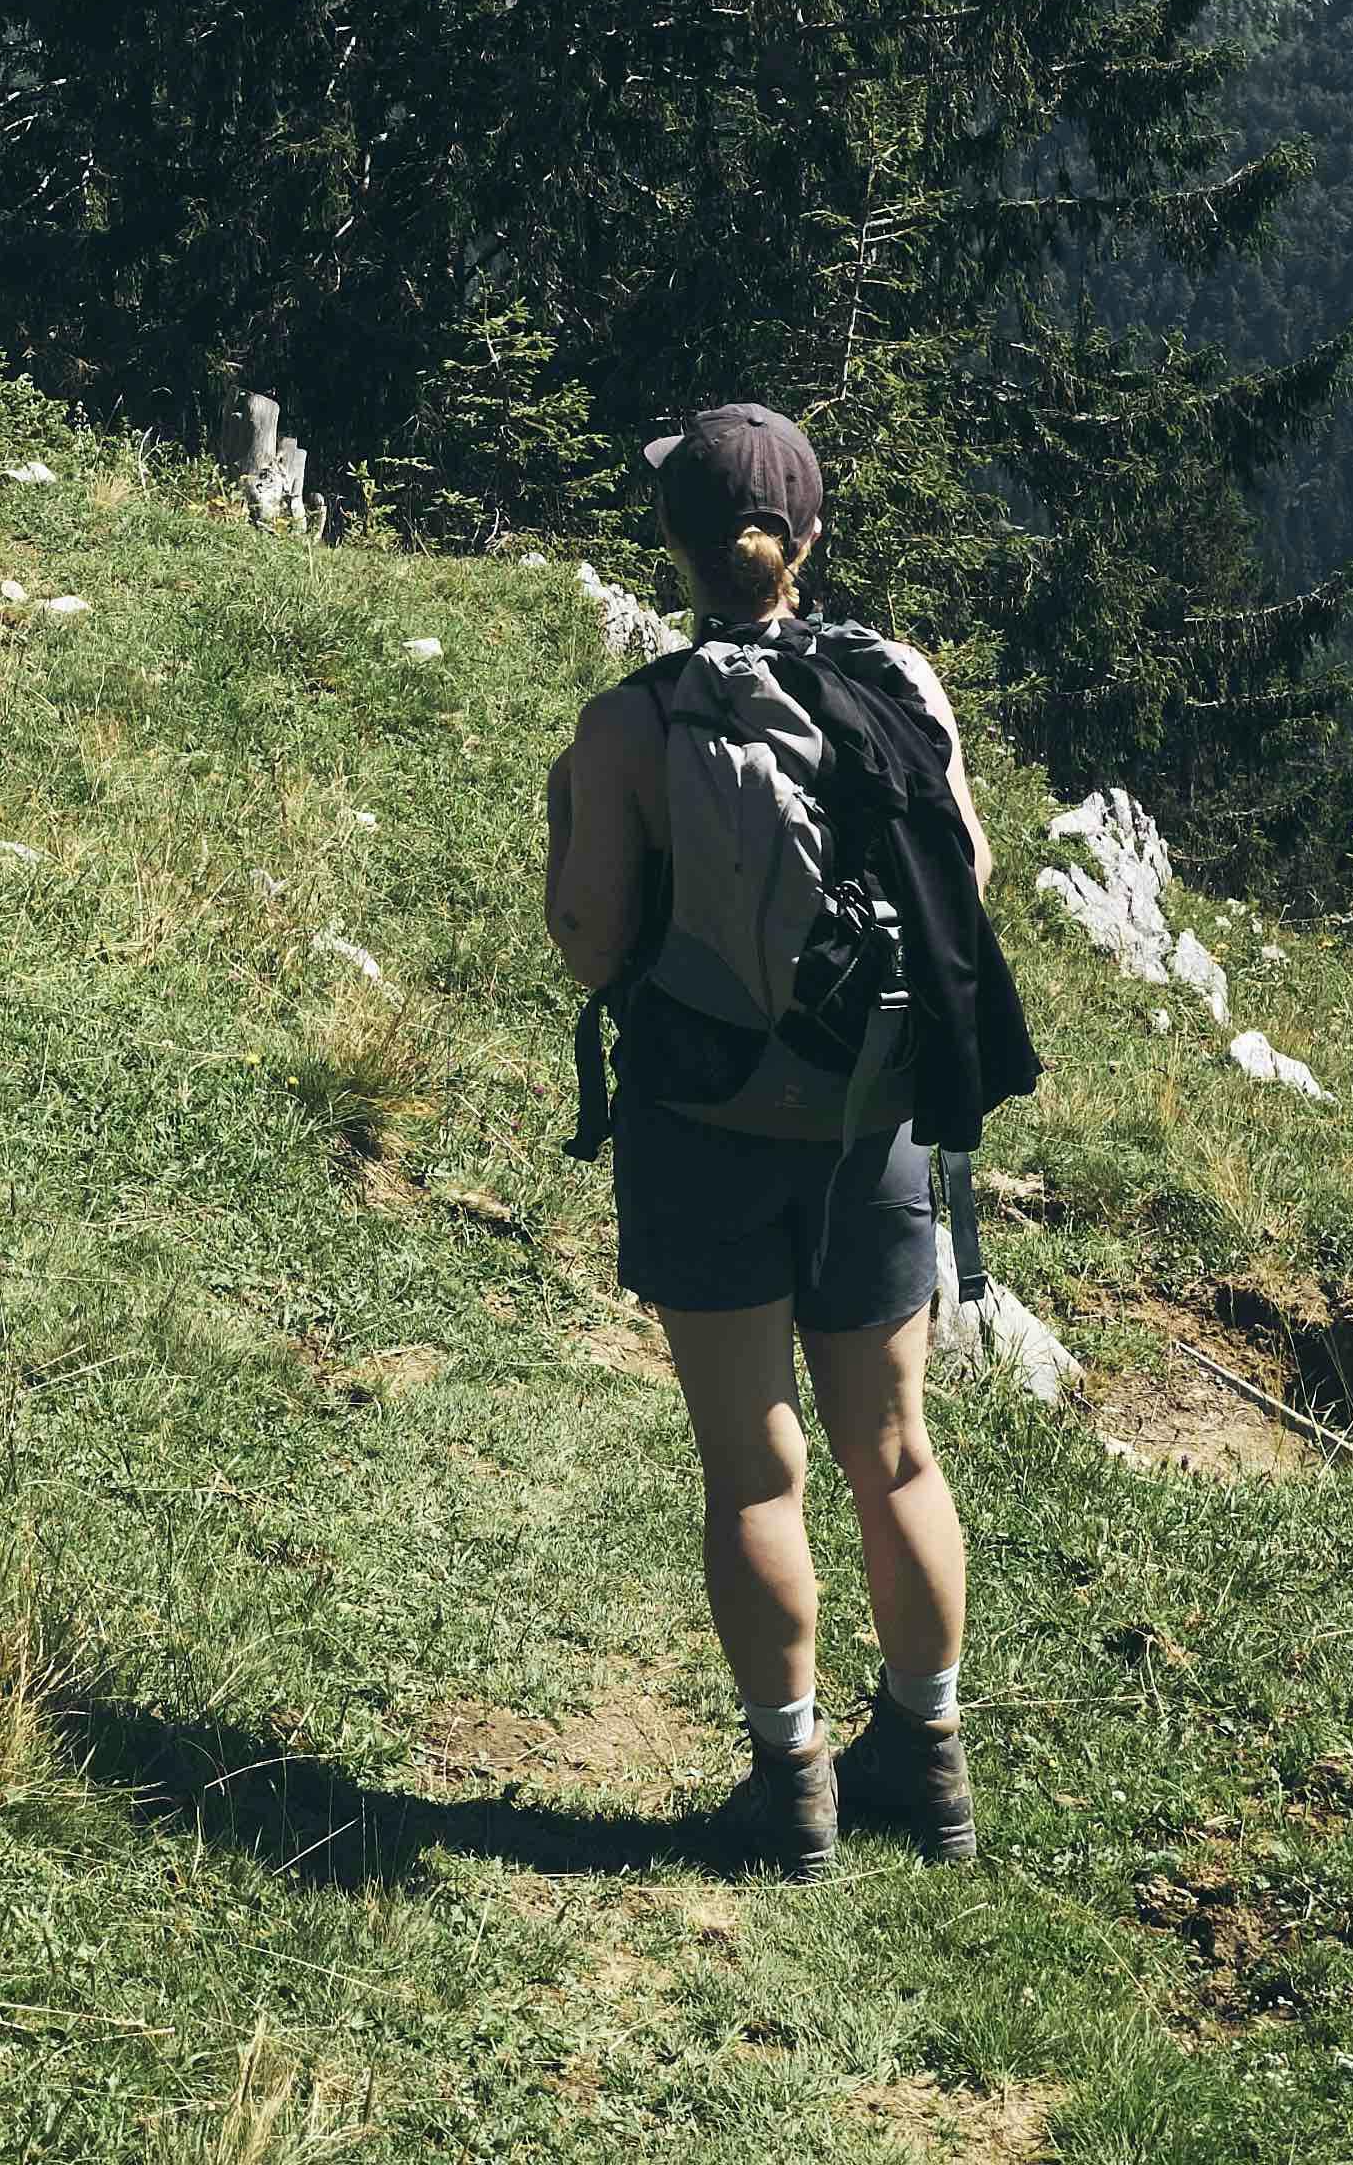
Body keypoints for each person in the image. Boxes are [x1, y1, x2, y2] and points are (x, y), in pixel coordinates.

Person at [542, 402, 991, 1882]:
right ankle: (926, 1762)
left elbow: (591, 941)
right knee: (897, 1452)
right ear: (810, 540)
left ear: (673, 550)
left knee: (754, 1470)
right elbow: (966, 883)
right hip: (876, 1122)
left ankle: (789, 1783)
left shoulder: (632, 723)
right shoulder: (900, 685)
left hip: (707, 1124)